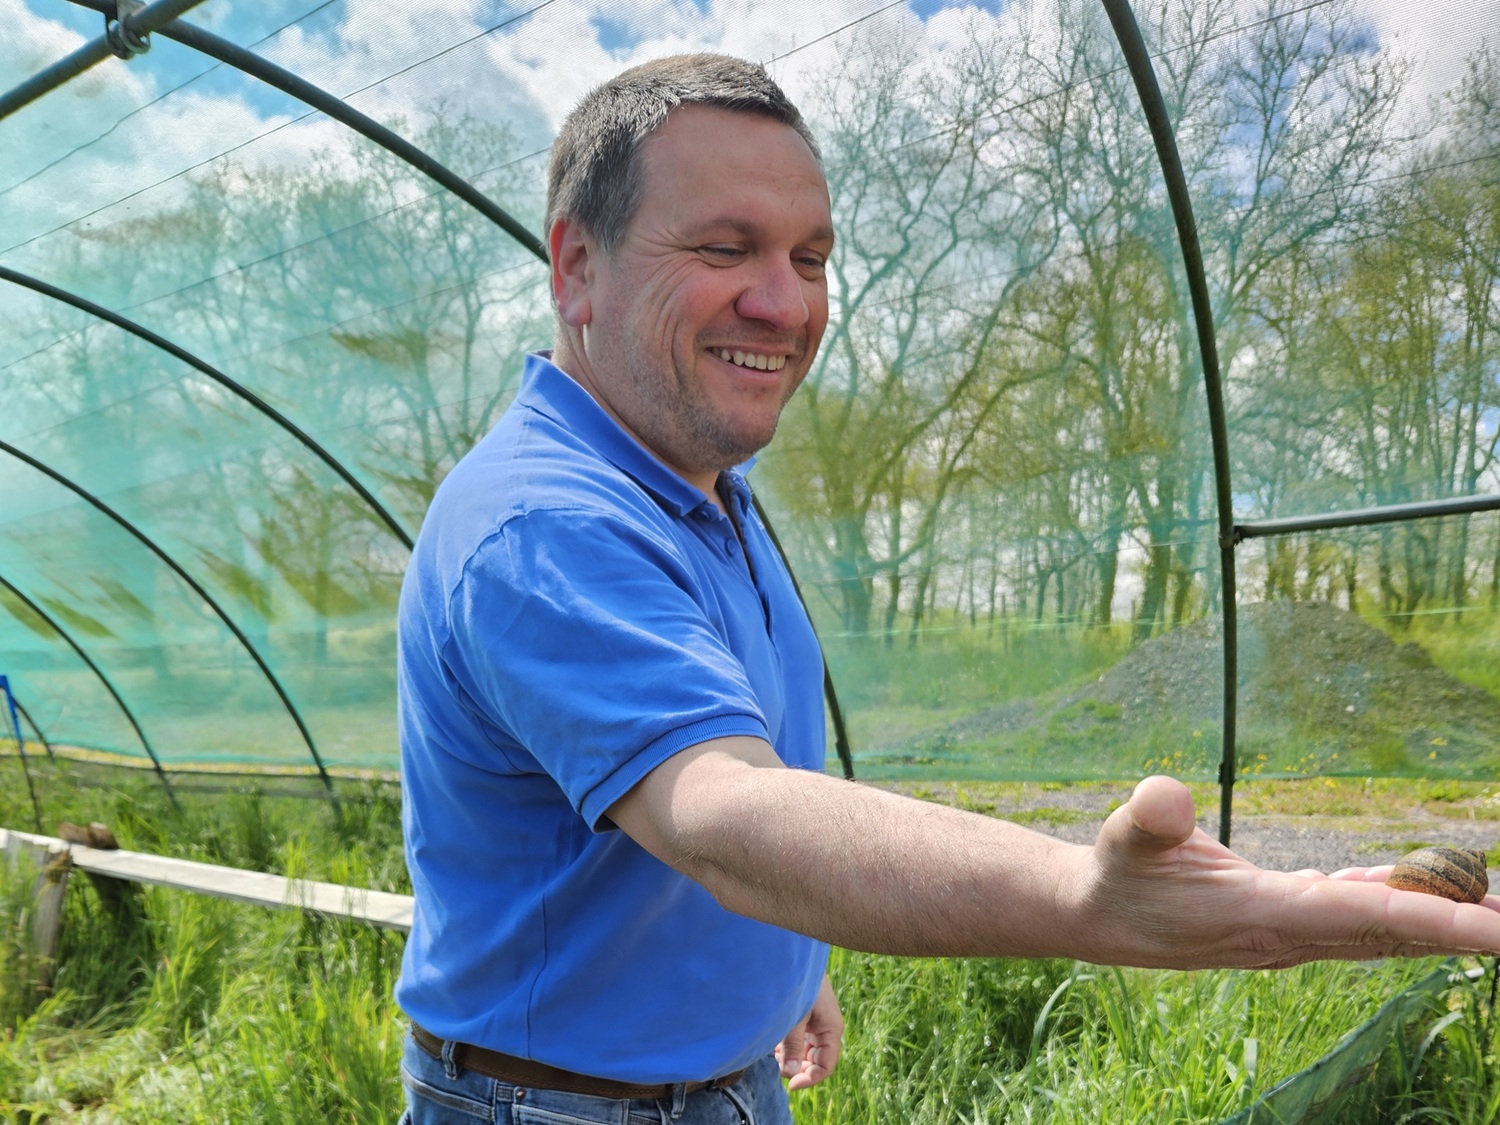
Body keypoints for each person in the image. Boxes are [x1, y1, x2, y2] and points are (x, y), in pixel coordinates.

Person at [394, 53, 1500, 1125]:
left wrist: (782, 970)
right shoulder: (543, 523)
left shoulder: (701, 484)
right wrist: (1083, 899)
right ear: (575, 268)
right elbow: (725, 812)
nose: (785, 305)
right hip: (555, 1106)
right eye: (728, 247)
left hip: (717, 1074)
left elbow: (732, 783)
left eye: (812, 258)